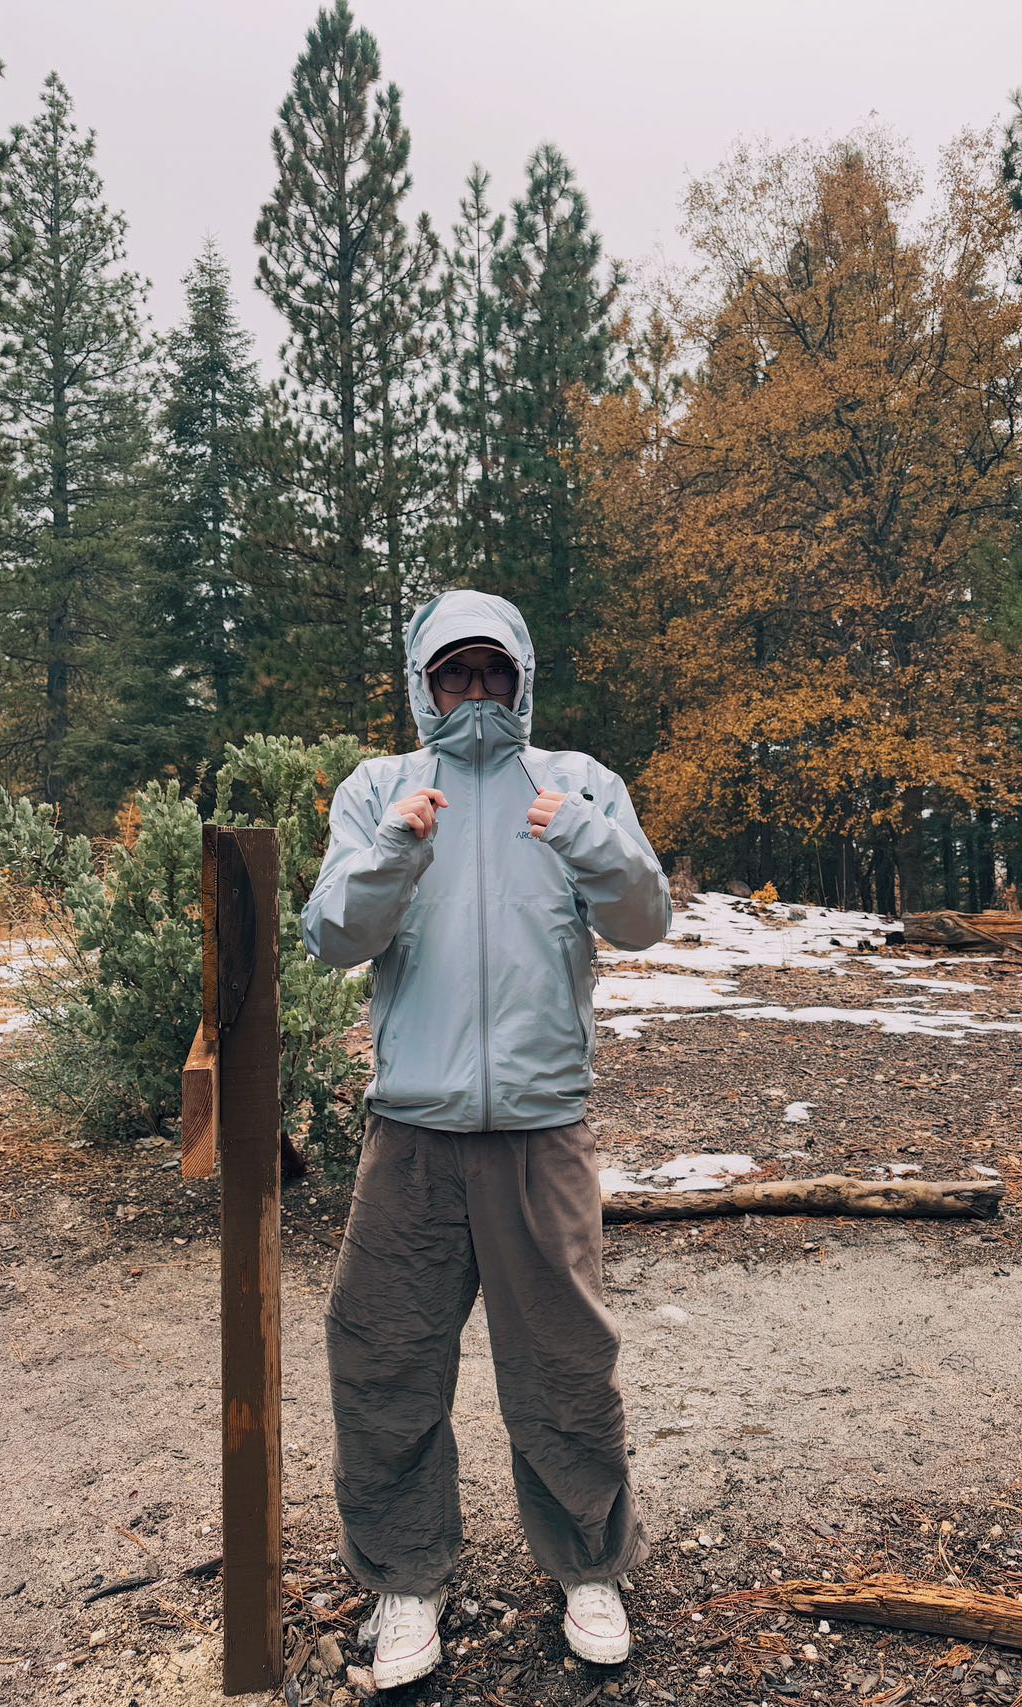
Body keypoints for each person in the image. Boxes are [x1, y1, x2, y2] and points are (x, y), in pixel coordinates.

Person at [301, 588, 672, 1689]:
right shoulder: (378, 788)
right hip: (409, 1132)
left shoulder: (577, 781)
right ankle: (408, 1580)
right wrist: (392, 850)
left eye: (491, 672)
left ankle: (587, 1567)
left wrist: (589, 834)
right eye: (453, 674)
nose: (474, 692)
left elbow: (644, 920)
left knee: (563, 1364)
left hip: (542, 1133)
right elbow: (330, 934)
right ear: (423, 684)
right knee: (383, 1359)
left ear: (521, 678)